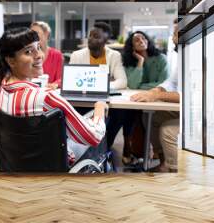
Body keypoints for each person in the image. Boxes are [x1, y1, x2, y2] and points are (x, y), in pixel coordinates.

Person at [0, 27, 108, 164]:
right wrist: (99, 109)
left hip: (18, 162)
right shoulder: (46, 98)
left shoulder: (0, 89)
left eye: (38, 47)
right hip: (51, 165)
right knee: (99, 124)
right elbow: (93, 137)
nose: (39, 55)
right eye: (28, 51)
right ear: (11, 61)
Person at [106, 31, 169, 164]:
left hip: (157, 99)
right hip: (136, 98)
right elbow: (132, 84)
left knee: (131, 115)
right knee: (120, 113)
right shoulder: (129, 61)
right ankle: (111, 147)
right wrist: (140, 62)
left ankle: (127, 148)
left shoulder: (161, 58)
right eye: (136, 39)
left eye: (143, 37)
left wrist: (142, 86)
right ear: (131, 45)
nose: (141, 40)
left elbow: (163, 83)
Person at [130, 20, 179, 172]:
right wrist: (154, 92)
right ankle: (164, 162)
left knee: (166, 129)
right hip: (176, 105)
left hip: (193, 112)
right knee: (149, 116)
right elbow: (170, 83)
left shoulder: (162, 59)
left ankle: (173, 170)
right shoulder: (183, 56)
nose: (172, 38)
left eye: (175, 34)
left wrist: (155, 94)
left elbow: (187, 94)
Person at [69, 22, 127, 90]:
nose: (90, 39)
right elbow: (70, 80)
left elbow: (122, 81)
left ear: (106, 40)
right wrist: (107, 82)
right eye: (90, 36)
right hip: (83, 92)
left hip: (104, 95)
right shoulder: (76, 55)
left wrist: (99, 86)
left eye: (96, 37)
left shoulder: (114, 55)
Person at [30, 21, 63, 89]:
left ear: (46, 34)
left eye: (36, 33)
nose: (32, 36)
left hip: (50, 92)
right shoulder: (28, 55)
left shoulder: (57, 55)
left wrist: (55, 84)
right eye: (31, 33)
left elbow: (61, 78)